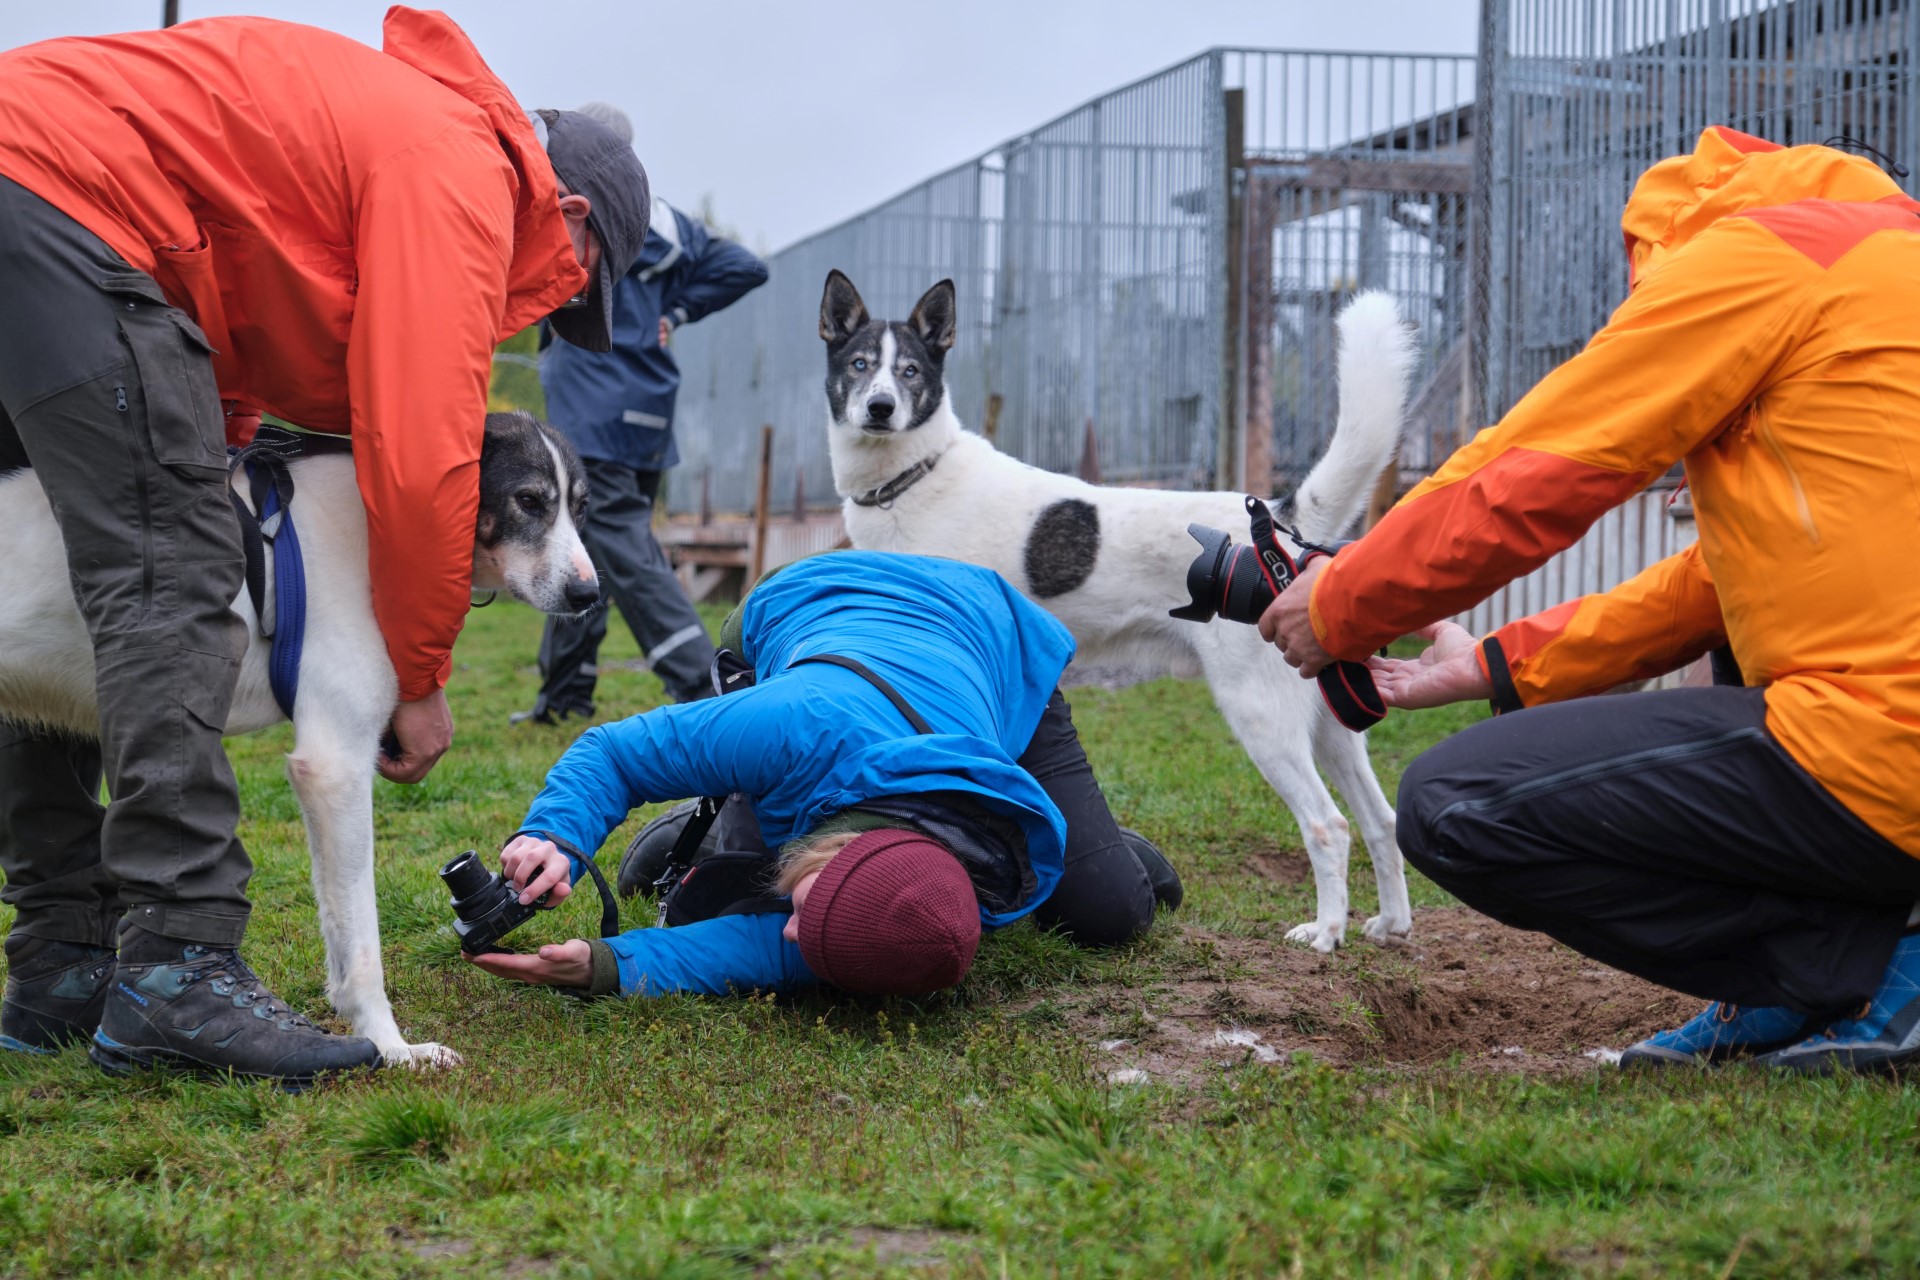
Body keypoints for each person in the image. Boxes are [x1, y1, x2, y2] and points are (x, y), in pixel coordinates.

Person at [0, 11, 651, 1085]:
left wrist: (226, 452)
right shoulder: (462, 175)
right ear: (566, 210)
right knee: (173, 576)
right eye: (577, 280)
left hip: (41, 190)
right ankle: (182, 966)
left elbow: (233, 329)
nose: (551, 311)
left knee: (92, 568)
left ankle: (65, 961)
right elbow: (423, 452)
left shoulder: (399, 138)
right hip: (65, 205)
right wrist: (425, 675)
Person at [1259, 126, 1920, 1074]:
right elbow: (1729, 579)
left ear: (1658, 249)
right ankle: (1844, 964)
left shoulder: (1757, 256)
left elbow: (1539, 469)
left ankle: (1849, 965)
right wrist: (1494, 664)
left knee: (1457, 804)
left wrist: (1340, 603)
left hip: (1890, 748)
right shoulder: (1884, 273)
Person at [469, 551, 1180, 998]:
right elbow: (612, 753)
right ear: (839, 855)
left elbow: (820, 943)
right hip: (814, 600)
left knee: (1113, 913)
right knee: (719, 894)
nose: (789, 936)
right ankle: (695, 823)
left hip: (987, 636)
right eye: (808, 917)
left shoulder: (921, 894)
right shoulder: (789, 724)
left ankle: (1092, 847)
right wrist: (554, 837)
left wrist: (608, 965)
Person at [514, 103, 769, 722]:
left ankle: (708, 691)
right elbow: (745, 266)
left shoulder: (580, 208)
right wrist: (675, 311)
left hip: (594, 406)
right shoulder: (668, 222)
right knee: (583, 545)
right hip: (650, 408)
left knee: (625, 553)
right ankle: (565, 697)